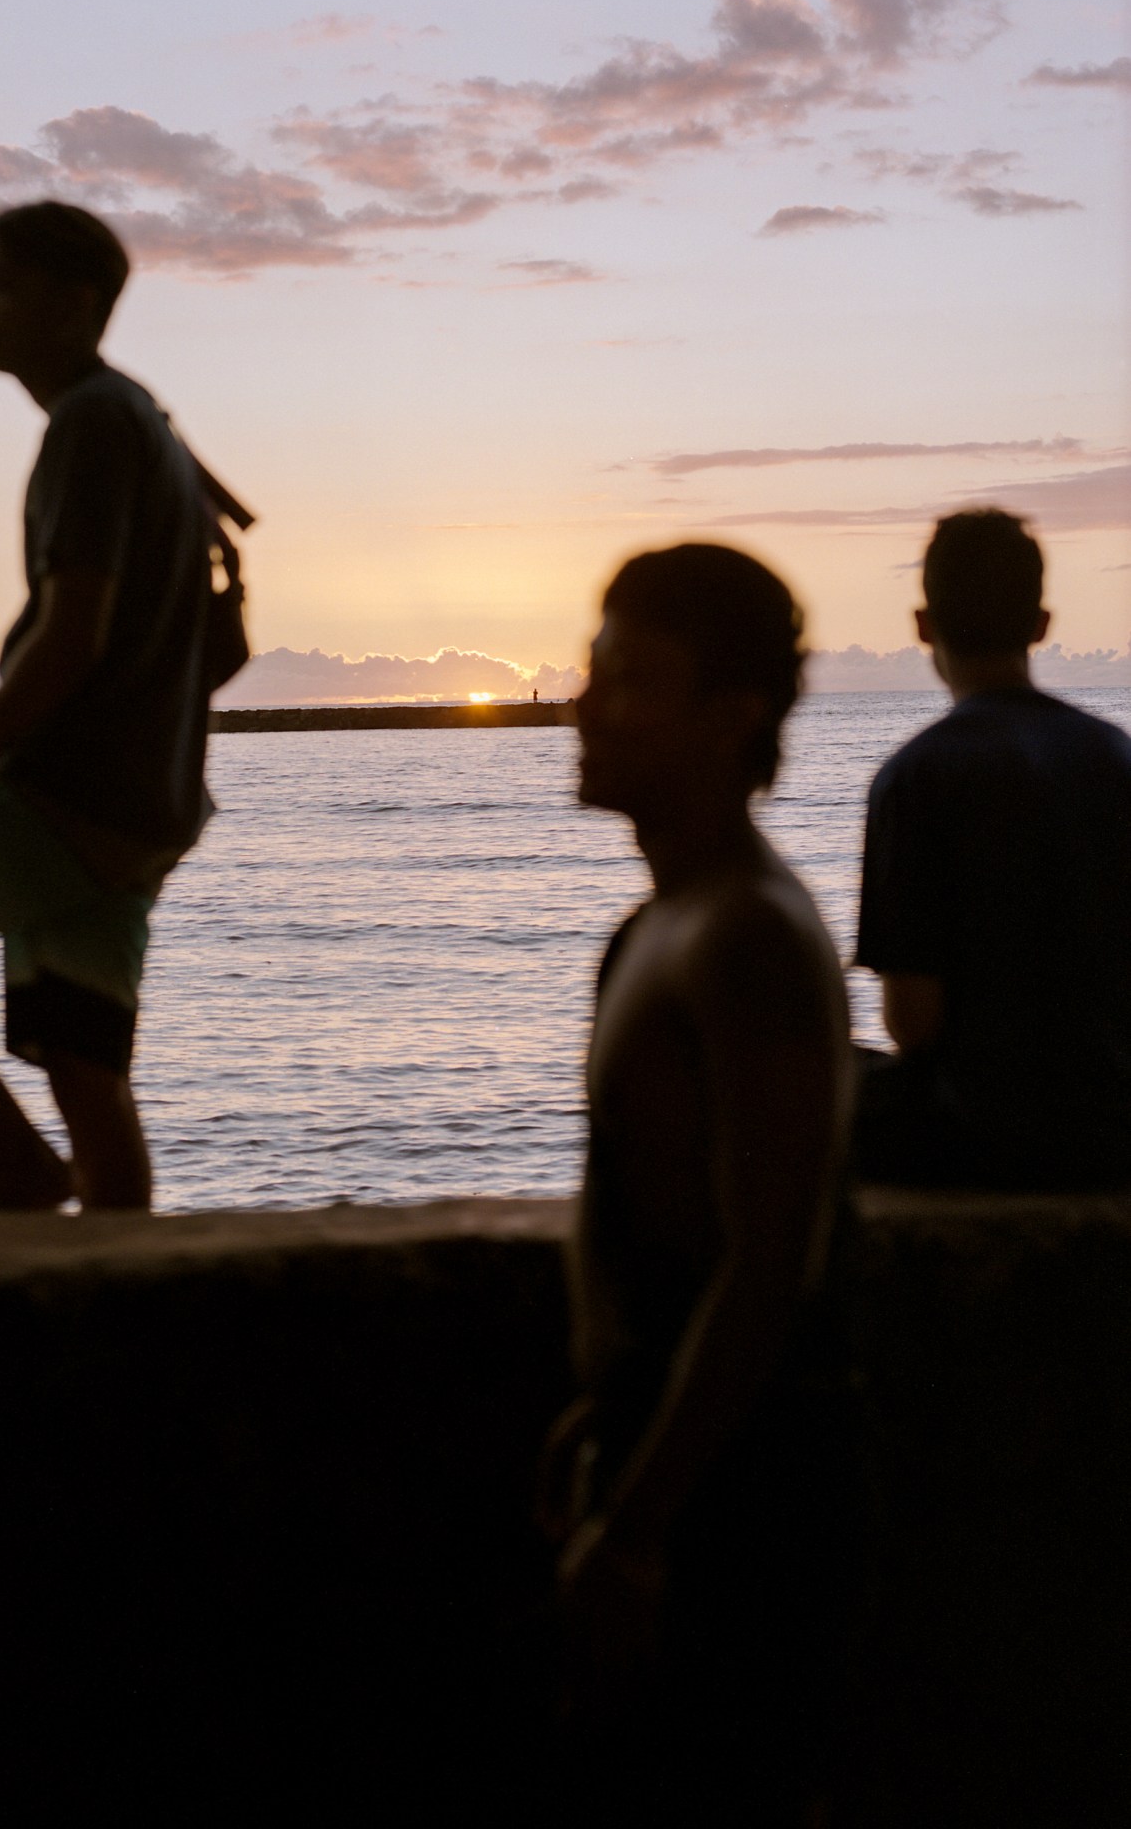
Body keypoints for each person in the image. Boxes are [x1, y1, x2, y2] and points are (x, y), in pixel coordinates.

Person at [540, 544, 866, 1826]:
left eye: (628, 680)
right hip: (670, 1454)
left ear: (732, 718)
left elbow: (769, 1260)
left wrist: (636, 1526)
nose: (583, 706)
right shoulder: (653, 927)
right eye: (589, 669)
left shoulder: (749, 939)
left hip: (746, 1497)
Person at [0, 200, 244, 1212]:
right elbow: (204, 646)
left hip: (63, 799)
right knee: (89, 1073)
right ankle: (124, 1307)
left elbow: (73, 637)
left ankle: (14, 1157)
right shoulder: (145, 423)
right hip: (144, 812)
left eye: (0, 288)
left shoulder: (91, 423)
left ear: (73, 306)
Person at [853, 508, 1131, 1191]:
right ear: (1041, 625)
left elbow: (913, 1023)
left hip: (982, 1137)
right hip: (1114, 1125)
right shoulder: (1116, 758)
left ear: (923, 625)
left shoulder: (915, 776)